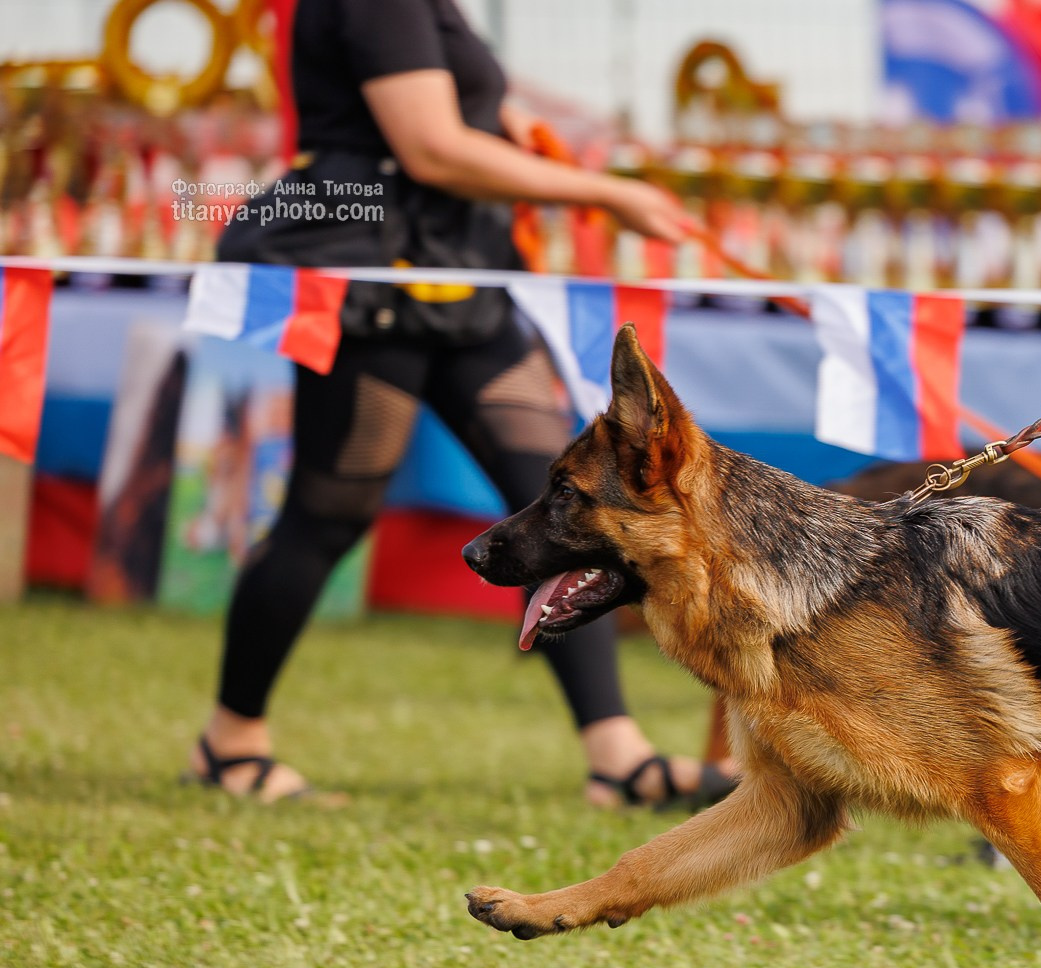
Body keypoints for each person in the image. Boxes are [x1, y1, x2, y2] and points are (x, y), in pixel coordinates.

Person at [186, 0, 731, 806]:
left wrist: (515, 123)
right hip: (379, 277)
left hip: (462, 276)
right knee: (326, 514)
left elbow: (458, 116)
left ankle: (615, 754)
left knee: (567, 505)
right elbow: (430, 146)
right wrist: (603, 192)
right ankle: (231, 742)